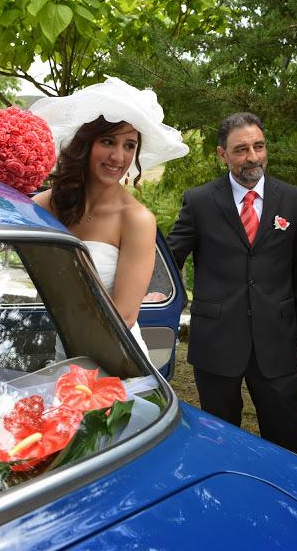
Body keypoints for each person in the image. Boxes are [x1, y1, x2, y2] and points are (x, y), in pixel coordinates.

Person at [167, 112, 297, 459]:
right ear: (222, 154)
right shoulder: (200, 201)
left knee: (291, 440)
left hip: (278, 340)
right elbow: (169, 259)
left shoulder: (293, 200)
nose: (253, 157)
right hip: (216, 342)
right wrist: (156, 296)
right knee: (219, 443)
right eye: (241, 150)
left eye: (259, 146)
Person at [29, 77, 189, 359]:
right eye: (107, 141)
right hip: (62, 350)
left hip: (114, 356)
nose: (118, 156)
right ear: (85, 144)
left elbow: (124, 316)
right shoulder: (53, 202)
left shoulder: (136, 220)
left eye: (129, 145)